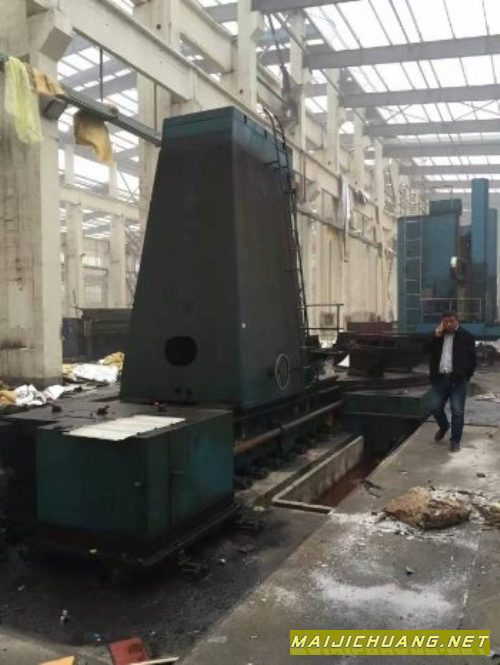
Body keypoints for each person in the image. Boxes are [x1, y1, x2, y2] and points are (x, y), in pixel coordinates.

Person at [429, 311, 476, 452]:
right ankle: (444, 426)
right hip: (440, 378)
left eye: (451, 321)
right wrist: (435, 337)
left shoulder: (467, 336)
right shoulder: (438, 335)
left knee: (457, 411)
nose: (448, 324)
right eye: (445, 322)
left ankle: (455, 441)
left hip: (458, 380)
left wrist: (466, 375)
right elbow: (426, 351)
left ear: (457, 321)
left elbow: (473, 359)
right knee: (434, 407)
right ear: (442, 322)